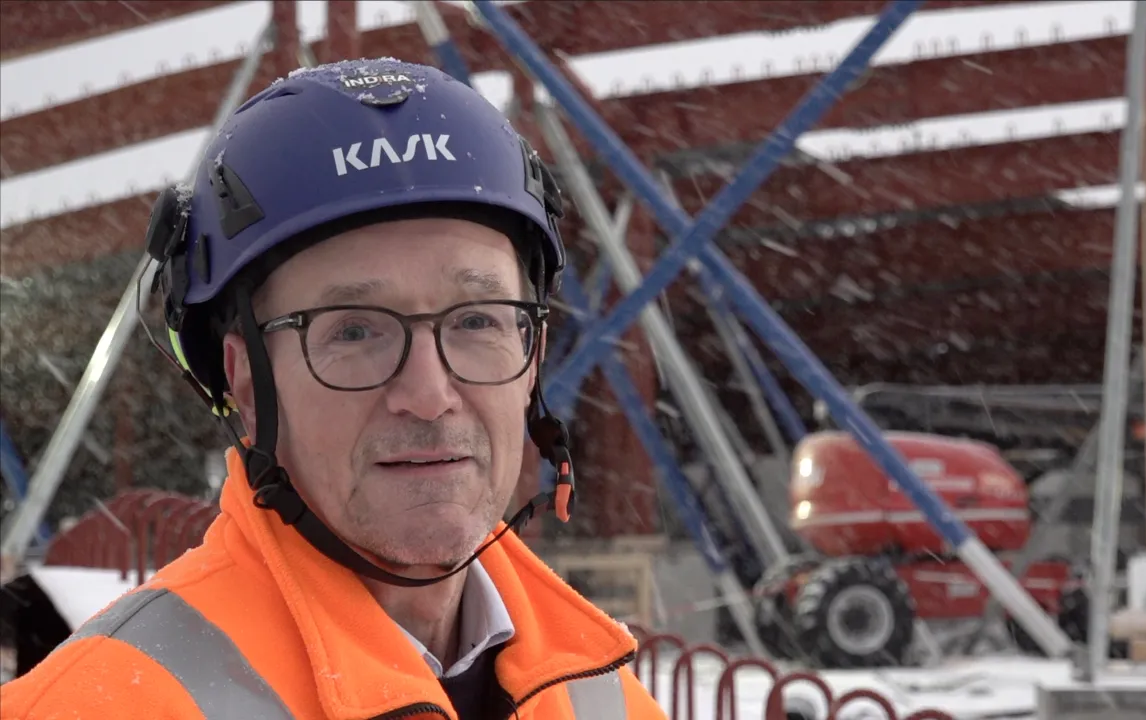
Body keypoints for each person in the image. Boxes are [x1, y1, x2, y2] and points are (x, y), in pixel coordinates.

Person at [1, 58, 667, 720]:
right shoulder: (100, 704)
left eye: (475, 321)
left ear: (533, 358)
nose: (430, 395)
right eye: (354, 332)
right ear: (245, 383)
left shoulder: (606, 699)